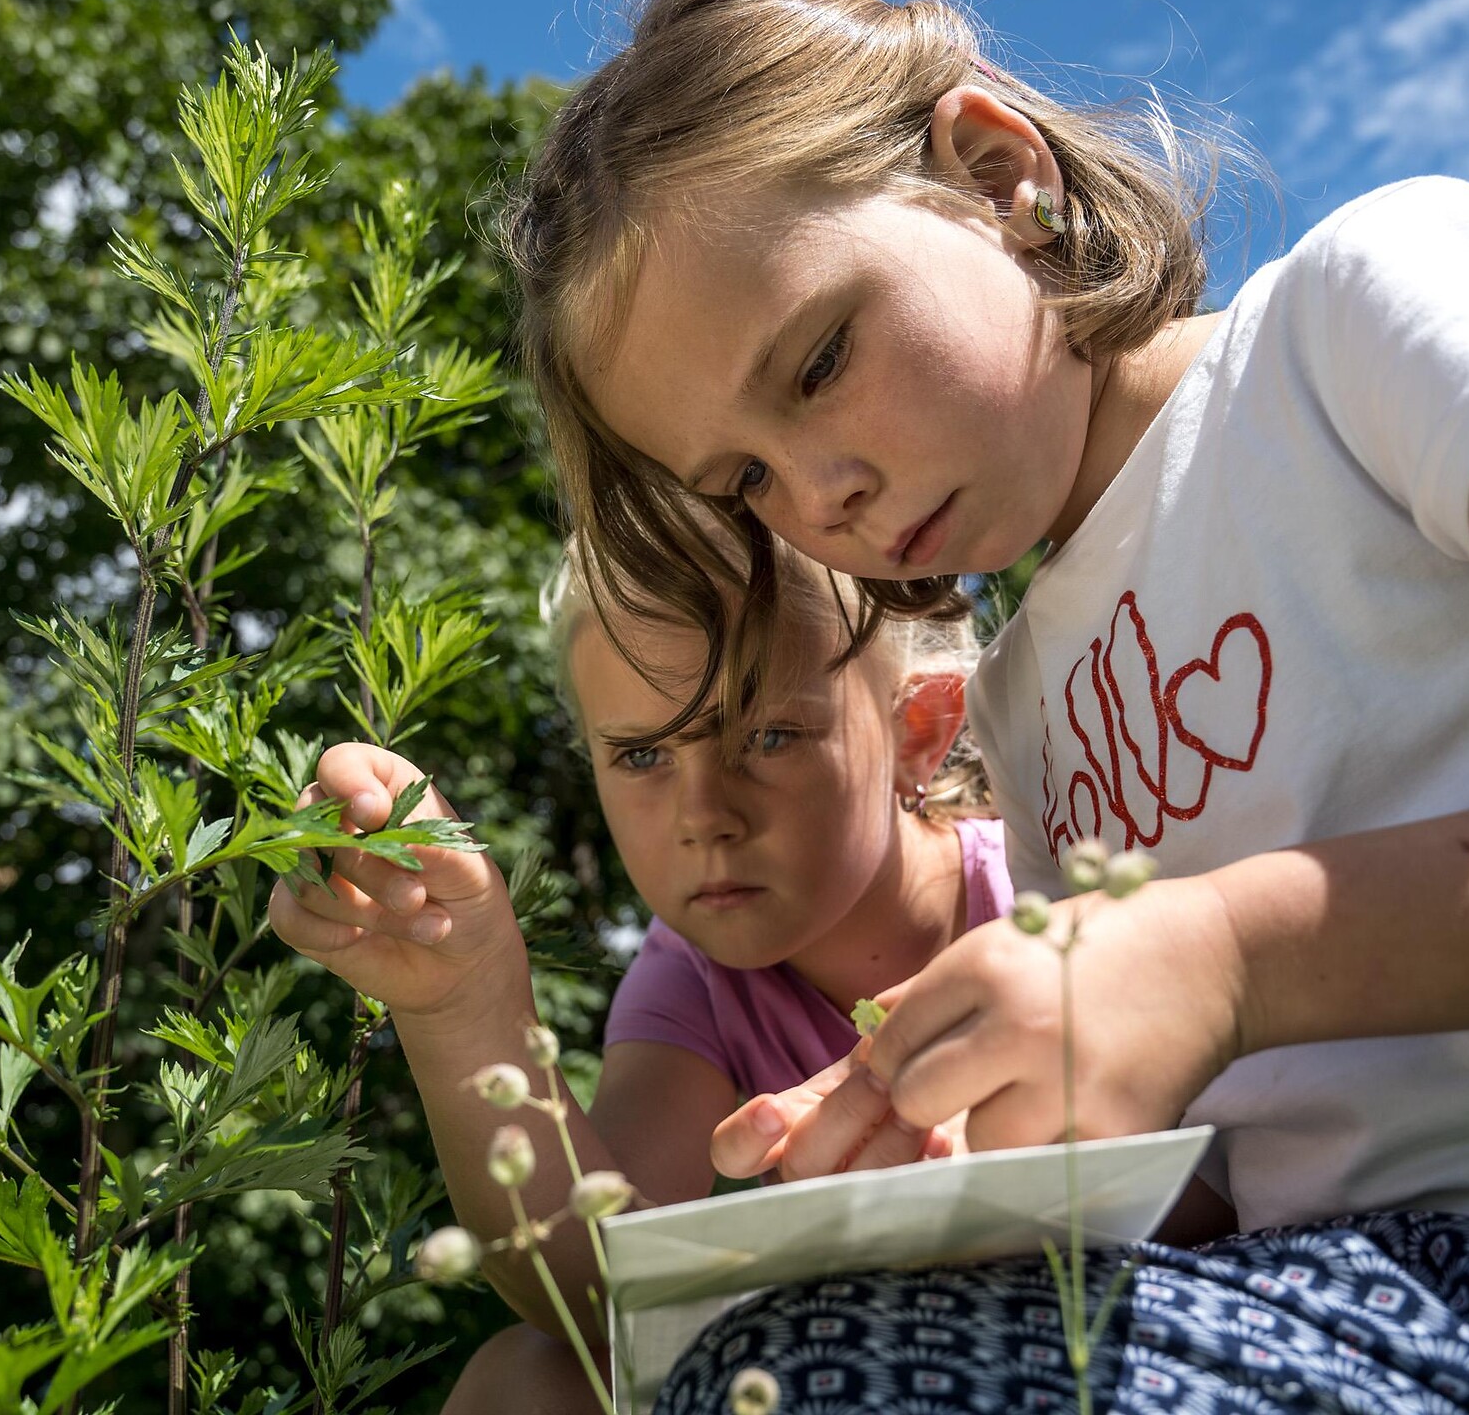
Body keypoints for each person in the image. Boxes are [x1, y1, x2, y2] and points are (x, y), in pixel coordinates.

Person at [500, 0, 1469, 1407]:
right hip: (1326, 1296)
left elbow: (1226, 983)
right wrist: (936, 1149)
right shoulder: (1032, 701)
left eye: (818, 361)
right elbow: (1235, 1173)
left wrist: (1228, 960)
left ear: (998, 179)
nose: (820, 494)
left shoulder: (1357, 321)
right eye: (742, 481)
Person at [267, 536, 1015, 1414]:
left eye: (768, 735)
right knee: (526, 1384)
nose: (704, 816)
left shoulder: (1035, 889)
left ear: (917, 731)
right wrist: (464, 1005)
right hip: (857, 1364)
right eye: (644, 756)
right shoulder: (691, 976)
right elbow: (597, 1292)